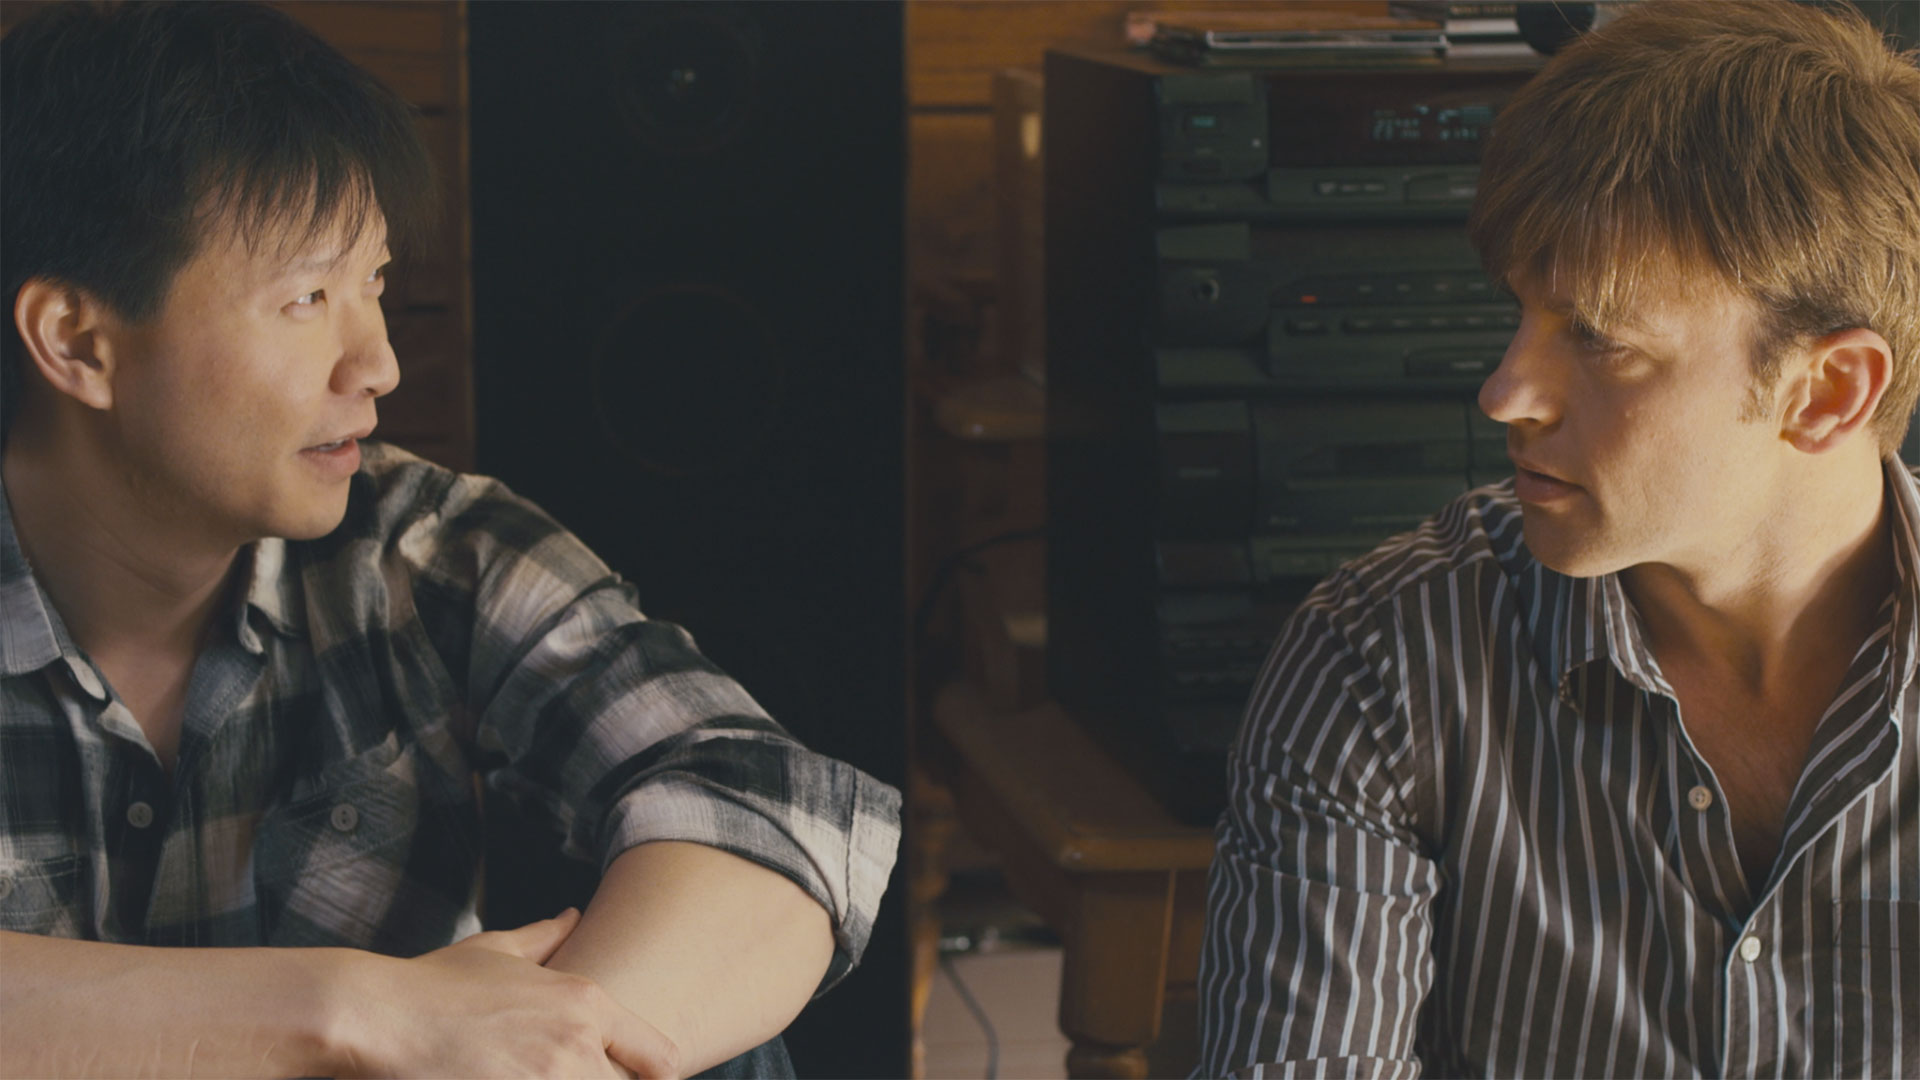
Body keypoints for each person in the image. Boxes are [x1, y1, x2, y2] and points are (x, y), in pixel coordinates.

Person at [0, 3, 900, 1077]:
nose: (376, 362)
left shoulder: (423, 548)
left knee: (704, 1048)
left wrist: (547, 1047)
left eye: (373, 284)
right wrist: (349, 1009)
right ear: (76, 341)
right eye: (307, 297)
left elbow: (765, 802)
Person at [1197, 1, 1920, 1075]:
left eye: (1597, 338)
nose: (1505, 393)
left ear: (1827, 391)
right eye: (1521, 314)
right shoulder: (1379, 662)